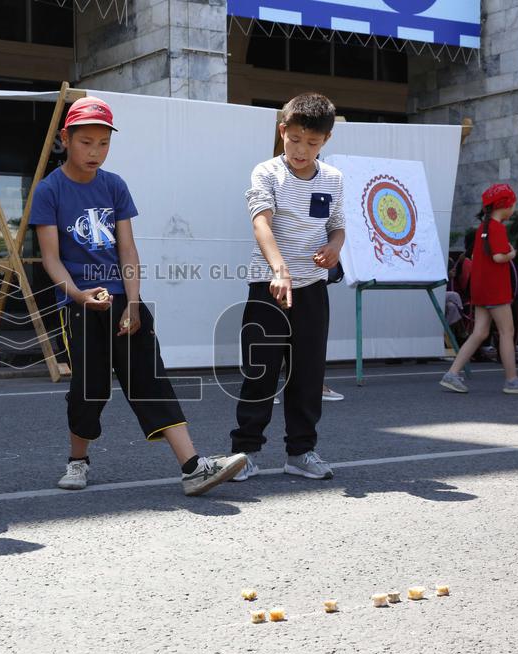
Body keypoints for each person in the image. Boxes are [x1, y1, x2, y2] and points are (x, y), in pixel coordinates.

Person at [30, 96, 247, 496]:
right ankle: (78, 461)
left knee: (150, 378)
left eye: (103, 143)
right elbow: (50, 259)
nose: (95, 152)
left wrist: (133, 301)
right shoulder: (49, 191)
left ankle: (192, 466)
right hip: (78, 305)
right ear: (65, 138)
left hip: (123, 299)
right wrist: (78, 295)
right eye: (86, 142)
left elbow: (127, 249)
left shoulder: (114, 186)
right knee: (88, 388)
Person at [229, 92, 345, 483]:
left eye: (312, 143)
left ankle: (301, 452)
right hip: (269, 285)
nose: (301, 150)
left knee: (308, 374)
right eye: (295, 140)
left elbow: (337, 225)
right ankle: (244, 452)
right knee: (260, 371)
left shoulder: (333, 178)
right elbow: (261, 222)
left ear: (326, 141)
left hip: (312, 287)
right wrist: (279, 270)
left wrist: (334, 247)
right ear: (283, 132)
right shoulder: (266, 173)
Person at [440, 184, 518, 394]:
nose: (513, 209)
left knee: (480, 332)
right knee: (506, 331)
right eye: (512, 204)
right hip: (496, 288)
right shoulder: (498, 228)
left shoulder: (482, 229)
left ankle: (452, 373)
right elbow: (498, 257)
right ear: (505, 206)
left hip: (481, 289)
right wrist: (512, 253)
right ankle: (512, 379)